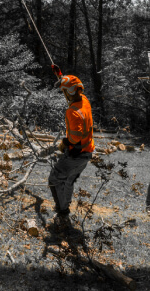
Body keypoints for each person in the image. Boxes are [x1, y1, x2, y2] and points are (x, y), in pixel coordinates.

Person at [49, 72, 95, 218]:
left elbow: (75, 138)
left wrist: (64, 143)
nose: (64, 95)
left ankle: (62, 210)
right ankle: (65, 206)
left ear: (68, 92)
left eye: (64, 91)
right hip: (87, 153)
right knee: (69, 180)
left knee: (54, 179)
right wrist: (60, 75)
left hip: (76, 154)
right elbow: (71, 85)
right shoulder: (85, 100)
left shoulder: (73, 112)